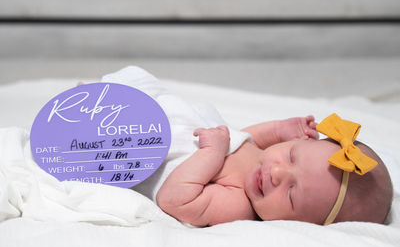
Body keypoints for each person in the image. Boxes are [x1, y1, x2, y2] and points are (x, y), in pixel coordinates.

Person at [97, 66, 393, 227]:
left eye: (290, 193)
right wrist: (279, 129)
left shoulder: (238, 205)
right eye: (291, 155)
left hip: (140, 148)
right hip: (171, 116)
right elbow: (244, 140)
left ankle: (90, 120)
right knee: (139, 82)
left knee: (107, 129)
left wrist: (211, 154)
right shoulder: (261, 163)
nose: (277, 172)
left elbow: (174, 200)